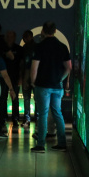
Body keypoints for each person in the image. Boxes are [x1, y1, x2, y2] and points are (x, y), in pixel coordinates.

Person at [30, 21, 71, 153]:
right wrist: (60, 78)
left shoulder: (39, 47)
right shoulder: (62, 47)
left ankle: (41, 144)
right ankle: (62, 143)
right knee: (57, 113)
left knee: (43, 114)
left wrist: (33, 81)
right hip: (57, 86)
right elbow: (68, 67)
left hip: (43, 85)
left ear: (42, 31)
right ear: (55, 31)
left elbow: (34, 67)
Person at [3, 31, 22, 132]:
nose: (9, 38)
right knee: (3, 98)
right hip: (3, 78)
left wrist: (20, 78)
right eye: (8, 36)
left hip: (14, 77)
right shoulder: (2, 49)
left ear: (14, 37)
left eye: (11, 36)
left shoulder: (18, 49)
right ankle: (4, 117)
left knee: (15, 99)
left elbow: (21, 65)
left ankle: (15, 118)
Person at [19, 30, 36, 126]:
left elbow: (24, 64)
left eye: (25, 37)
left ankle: (28, 119)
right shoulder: (25, 48)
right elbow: (23, 63)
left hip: (30, 75)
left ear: (30, 36)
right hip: (34, 76)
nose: (24, 39)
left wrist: (24, 77)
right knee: (30, 98)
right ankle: (32, 118)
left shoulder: (28, 48)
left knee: (27, 98)